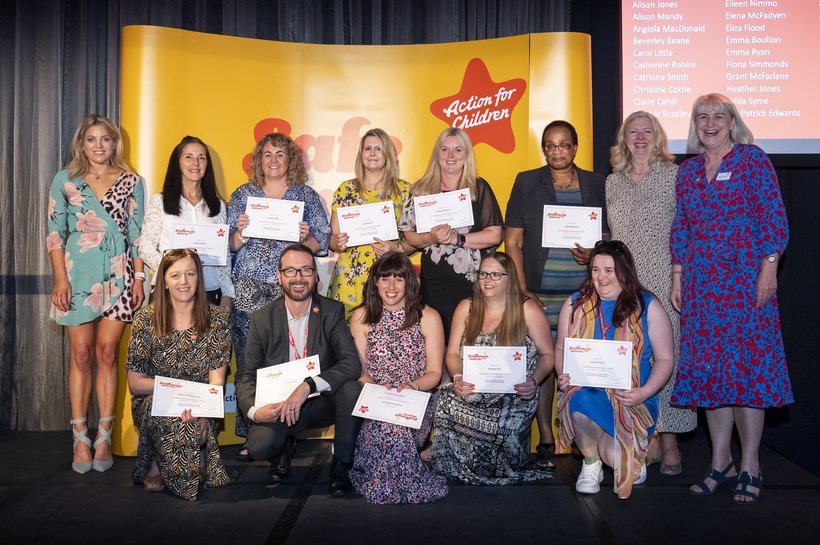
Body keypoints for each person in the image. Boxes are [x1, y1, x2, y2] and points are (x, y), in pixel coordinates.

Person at [670, 93, 793, 504]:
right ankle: (719, 461)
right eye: (702, 117)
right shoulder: (687, 171)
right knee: (711, 373)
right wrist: (677, 276)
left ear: (732, 122)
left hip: (744, 282)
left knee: (746, 373)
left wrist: (770, 266)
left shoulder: (752, 160)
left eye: (718, 116)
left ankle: (750, 464)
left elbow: (773, 216)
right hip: (701, 285)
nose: (710, 123)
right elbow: (682, 227)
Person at [505, 120, 608, 470]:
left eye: (564, 144)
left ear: (575, 148)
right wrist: (522, 289)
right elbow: (513, 242)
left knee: (582, 364)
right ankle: (547, 436)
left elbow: (608, 234)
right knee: (544, 363)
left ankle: (583, 435)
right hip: (540, 293)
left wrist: (594, 251)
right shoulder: (527, 182)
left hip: (585, 294)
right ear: (544, 149)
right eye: (550, 145)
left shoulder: (597, 182)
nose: (557, 151)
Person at [46, 114, 146, 474]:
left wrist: (138, 279)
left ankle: (103, 436)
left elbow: (137, 234)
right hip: (76, 274)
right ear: (82, 144)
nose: (99, 145)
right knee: (81, 353)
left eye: (105, 138)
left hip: (120, 274)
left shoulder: (132, 181)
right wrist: (60, 279)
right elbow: (55, 233)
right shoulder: (65, 179)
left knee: (107, 353)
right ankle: (79, 438)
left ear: (114, 143)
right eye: (91, 139)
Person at [605, 112, 696, 476]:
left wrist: (680, 276)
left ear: (657, 137)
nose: (640, 137)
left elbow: (688, 229)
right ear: (624, 138)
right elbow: (615, 234)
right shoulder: (613, 181)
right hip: (624, 283)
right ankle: (639, 438)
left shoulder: (675, 175)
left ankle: (670, 443)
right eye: (633, 131)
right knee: (629, 357)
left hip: (664, 277)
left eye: (647, 131)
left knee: (665, 356)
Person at [235, 243, 363, 496]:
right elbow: (245, 375)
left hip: (320, 401)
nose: (298, 278)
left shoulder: (331, 311)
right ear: (279, 276)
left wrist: (308, 385)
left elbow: (351, 363)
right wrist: (255, 411)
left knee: (351, 388)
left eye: (305, 270)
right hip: (280, 405)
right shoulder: (262, 318)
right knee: (259, 447)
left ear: (315, 276)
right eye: (290, 271)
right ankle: (282, 447)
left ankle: (341, 464)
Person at [227, 133, 330, 444]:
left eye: (280, 154)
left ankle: (286, 430)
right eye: (267, 154)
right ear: (259, 160)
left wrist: (305, 239)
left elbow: (322, 243)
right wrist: (241, 233)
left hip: (291, 289)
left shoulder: (305, 195)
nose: (273, 160)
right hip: (248, 290)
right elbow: (227, 245)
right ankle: (252, 432)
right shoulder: (243, 194)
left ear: (291, 160)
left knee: (288, 362)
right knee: (249, 361)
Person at [555, 240, 673, 499]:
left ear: (624, 272)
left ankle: (629, 451)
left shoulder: (648, 305)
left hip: (632, 399)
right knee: (578, 399)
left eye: (609, 270)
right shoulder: (575, 304)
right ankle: (590, 464)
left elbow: (665, 359)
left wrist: (644, 392)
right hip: (590, 393)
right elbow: (562, 349)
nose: (601, 277)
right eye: (596, 270)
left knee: (614, 456)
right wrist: (563, 375)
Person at [432, 252, 555, 485]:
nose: (488, 280)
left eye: (496, 275)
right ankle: (460, 460)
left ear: (510, 278)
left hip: (514, 395)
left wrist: (534, 381)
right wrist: (457, 377)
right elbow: (452, 353)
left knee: (501, 430)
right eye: (483, 274)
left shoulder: (527, 309)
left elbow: (548, 355)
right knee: (446, 398)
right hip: (474, 389)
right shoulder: (466, 307)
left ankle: (482, 460)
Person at [126, 249, 234, 500]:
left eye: (190, 274)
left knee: (193, 421)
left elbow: (217, 380)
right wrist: (175, 391)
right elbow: (135, 383)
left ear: (199, 278)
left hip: (202, 402)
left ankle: (182, 457)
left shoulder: (217, 319)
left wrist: (204, 412)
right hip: (155, 400)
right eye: (175, 275)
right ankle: (170, 461)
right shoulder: (145, 319)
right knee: (167, 412)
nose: (183, 281)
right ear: (163, 281)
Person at [348, 252, 448, 503]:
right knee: (388, 427)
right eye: (385, 279)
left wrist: (412, 387)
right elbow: (360, 370)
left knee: (398, 429)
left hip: (416, 398)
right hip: (376, 398)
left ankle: (385, 483)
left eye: (398, 279)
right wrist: (379, 393)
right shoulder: (361, 317)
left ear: (409, 283)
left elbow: (435, 373)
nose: (391, 286)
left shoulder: (428, 317)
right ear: (375, 283)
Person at [400, 127, 503, 342]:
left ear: (466, 155)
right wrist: (430, 238)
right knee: (436, 343)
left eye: (458, 150)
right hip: (433, 283)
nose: (450, 156)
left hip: (470, 282)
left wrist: (458, 239)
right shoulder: (421, 189)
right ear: (437, 153)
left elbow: (495, 234)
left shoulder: (478, 188)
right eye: (444, 149)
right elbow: (409, 236)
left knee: (468, 342)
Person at [139, 136, 234, 308]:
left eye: (201, 157)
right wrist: (175, 268)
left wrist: (227, 292)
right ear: (177, 163)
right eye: (188, 157)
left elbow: (223, 254)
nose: (195, 163)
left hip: (209, 291)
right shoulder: (159, 202)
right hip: (169, 291)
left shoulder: (218, 205)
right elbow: (145, 248)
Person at [328, 128, 412, 319]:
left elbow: (416, 240)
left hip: (390, 279)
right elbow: (332, 239)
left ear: (388, 154)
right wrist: (337, 242)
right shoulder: (345, 189)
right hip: (350, 278)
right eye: (367, 149)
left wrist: (397, 248)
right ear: (361, 154)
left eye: (378, 149)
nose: (372, 153)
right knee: (347, 335)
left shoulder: (405, 191)